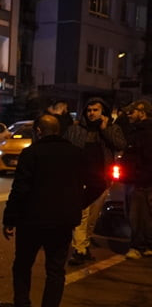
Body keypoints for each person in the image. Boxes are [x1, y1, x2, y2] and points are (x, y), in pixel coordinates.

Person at [1, 114, 86, 307]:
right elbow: (94, 181)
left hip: (32, 220)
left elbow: (20, 189)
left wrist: (9, 219)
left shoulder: (31, 154)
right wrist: (77, 204)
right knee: (56, 270)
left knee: (22, 265)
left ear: (39, 131)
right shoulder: (75, 154)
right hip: (62, 221)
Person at [65, 97, 125, 265]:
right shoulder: (76, 130)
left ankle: (85, 245)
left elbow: (120, 145)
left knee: (92, 217)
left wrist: (105, 129)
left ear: (103, 112)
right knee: (81, 215)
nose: (91, 113)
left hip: (101, 180)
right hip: (80, 180)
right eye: (89, 110)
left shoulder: (112, 129)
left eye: (95, 110)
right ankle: (79, 249)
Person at [121, 99, 152, 259]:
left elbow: (146, 158)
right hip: (137, 180)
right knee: (144, 215)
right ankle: (146, 245)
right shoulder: (137, 131)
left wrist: (141, 178)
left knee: (136, 215)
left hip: (138, 181)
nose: (128, 115)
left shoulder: (144, 133)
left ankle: (137, 247)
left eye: (132, 112)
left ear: (142, 112)